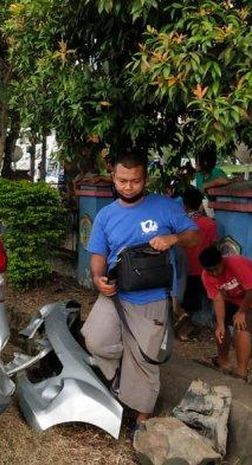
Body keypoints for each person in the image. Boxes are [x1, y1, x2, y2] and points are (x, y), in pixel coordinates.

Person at [81, 151, 200, 435]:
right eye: (122, 181)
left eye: (135, 181)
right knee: (95, 340)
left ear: (145, 179)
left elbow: (195, 237)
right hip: (116, 295)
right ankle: (121, 377)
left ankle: (142, 419)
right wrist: (98, 278)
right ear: (113, 177)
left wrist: (174, 238)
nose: (128, 186)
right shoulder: (106, 215)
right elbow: (98, 253)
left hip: (153, 296)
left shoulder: (165, 206)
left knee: (145, 358)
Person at [199, 246, 252, 380]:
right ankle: (224, 362)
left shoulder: (236, 263)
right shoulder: (206, 276)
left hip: (249, 298)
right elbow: (218, 300)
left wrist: (242, 312)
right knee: (220, 328)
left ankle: (241, 372)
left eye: (217, 269)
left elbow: (251, 289)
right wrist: (221, 324)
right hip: (233, 300)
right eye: (210, 271)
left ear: (222, 261)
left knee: (241, 327)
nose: (215, 273)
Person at [177, 188, 218, 340]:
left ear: (185, 205)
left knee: (186, 301)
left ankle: (183, 329)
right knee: (195, 302)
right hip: (201, 268)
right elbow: (213, 245)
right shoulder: (210, 224)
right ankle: (184, 330)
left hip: (183, 268)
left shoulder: (180, 223)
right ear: (201, 203)